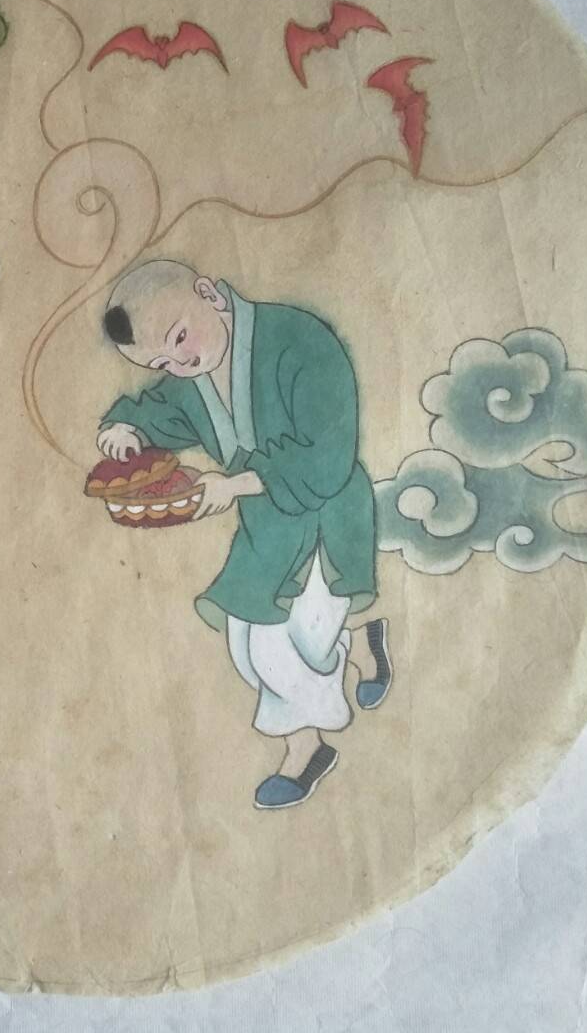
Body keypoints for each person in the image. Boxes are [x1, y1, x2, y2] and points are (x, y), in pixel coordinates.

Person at [97, 260, 390, 809]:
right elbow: (162, 408)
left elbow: (329, 450)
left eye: (179, 339)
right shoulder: (192, 379)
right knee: (246, 646)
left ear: (209, 294)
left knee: (283, 643)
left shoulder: (299, 339)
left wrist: (236, 484)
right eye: (162, 362)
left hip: (325, 512)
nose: (180, 364)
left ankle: (305, 749)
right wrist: (125, 426)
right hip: (266, 525)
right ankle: (361, 648)